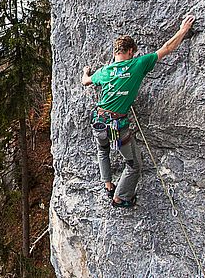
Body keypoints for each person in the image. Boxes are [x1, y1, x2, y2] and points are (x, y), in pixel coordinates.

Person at [81, 15, 195, 208]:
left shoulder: (105, 71)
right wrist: (183, 31)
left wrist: (85, 71)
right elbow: (167, 48)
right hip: (117, 124)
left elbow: (85, 81)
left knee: (103, 149)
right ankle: (120, 197)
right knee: (134, 165)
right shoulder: (137, 64)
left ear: (116, 52)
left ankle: (108, 185)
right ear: (131, 51)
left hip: (98, 119)